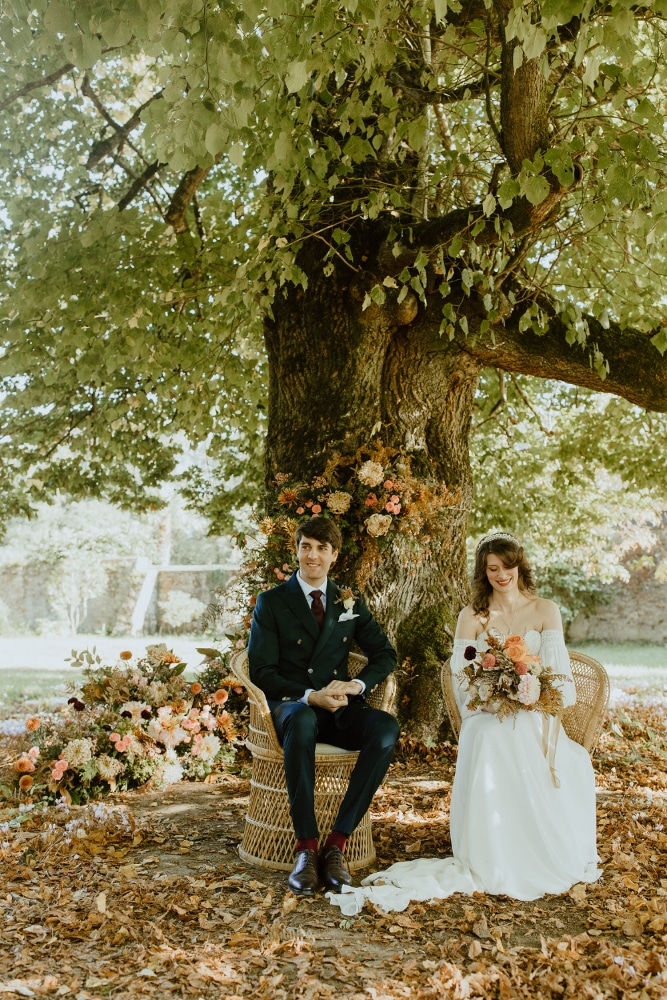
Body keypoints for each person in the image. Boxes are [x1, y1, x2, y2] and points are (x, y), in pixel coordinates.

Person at [329, 531, 601, 915]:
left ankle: (533, 850)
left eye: (507, 566)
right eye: (492, 568)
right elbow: (462, 682)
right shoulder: (472, 616)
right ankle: (494, 852)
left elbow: (563, 683)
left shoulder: (545, 610)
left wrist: (534, 693)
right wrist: (494, 700)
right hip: (487, 713)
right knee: (491, 735)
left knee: (525, 734)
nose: (501, 574)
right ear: (483, 572)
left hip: (537, 713)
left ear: (519, 565)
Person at [247, 516, 400, 896]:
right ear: (296, 550)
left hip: (339, 708)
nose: (312, 556)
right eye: (305, 546)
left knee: (385, 729)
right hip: (292, 707)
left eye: (321, 548)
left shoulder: (348, 601)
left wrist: (356, 684)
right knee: (300, 722)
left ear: (334, 556)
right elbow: (262, 672)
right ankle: (305, 848)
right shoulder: (272, 602)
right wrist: (308, 695)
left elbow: (384, 653)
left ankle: (337, 843)